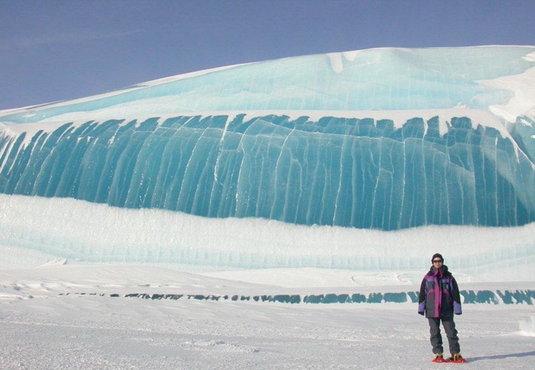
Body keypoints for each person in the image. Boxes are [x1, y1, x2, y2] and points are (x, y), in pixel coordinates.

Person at [418, 253, 465, 363]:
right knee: (434, 333)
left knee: (451, 332)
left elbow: (455, 293)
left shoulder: (449, 277)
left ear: (442, 262)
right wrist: (421, 308)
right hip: (431, 310)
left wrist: (457, 308)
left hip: (446, 310)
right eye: (435, 261)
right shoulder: (427, 277)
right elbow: (422, 293)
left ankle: (455, 354)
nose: (437, 263)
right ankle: (438, 354)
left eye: (439, 261)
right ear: (432, 263)